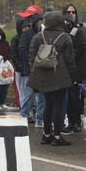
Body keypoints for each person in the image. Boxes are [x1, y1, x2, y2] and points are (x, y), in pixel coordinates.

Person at [28, 10, 76, 146]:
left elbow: (31, 57)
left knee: (47, 104)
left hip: (42, 74)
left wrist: (34, 73)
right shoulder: (65, 37)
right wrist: (72, 77)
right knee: (58, 105)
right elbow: (69, 59)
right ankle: (57, 135)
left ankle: (46, 133)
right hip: (59, 74)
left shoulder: (38, 37)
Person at [63, 4, 86, 132]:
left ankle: (76, 121)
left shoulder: (80, 30)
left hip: (78, 69)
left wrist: (69, 56)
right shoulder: (63, 30)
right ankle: (71, 121)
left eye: (73, 12)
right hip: (66, 70)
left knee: (76, 97)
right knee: (69, 97)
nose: (71, 14)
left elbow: (82, 48)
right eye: (68, 12)